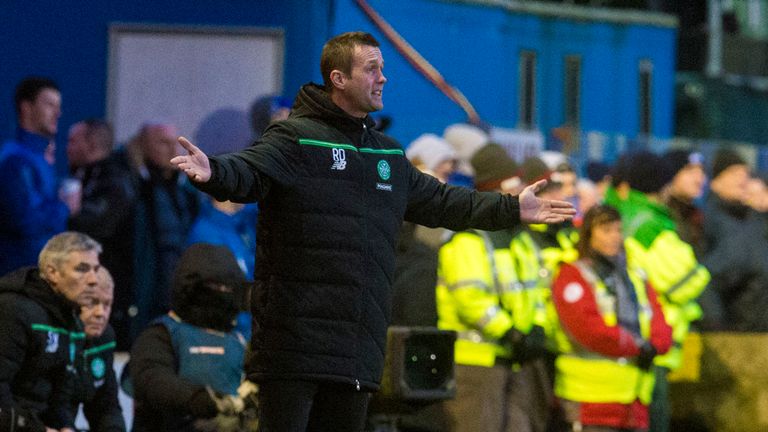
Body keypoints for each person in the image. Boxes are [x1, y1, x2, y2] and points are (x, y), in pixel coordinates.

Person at [170, 31, 575, 432]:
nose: (383, 78)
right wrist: (214, 173)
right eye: (372, 69)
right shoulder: (295, 138)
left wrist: (511, 207)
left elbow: (446, 202)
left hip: (357, 350)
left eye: (383, 68)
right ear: (338, 79)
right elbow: (248, 172)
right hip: (293, 350)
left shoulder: (387, 153)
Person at [435, 145, 553, 432]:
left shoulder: (520, 239)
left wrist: (536, 327)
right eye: (515, 184)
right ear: (496, 188)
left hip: (514, 358)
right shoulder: (467, 239)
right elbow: (470, 298)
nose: (524, 191)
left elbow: (536, 291)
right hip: (476, 363)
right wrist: (508, 332)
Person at [604, 150, 710, 432]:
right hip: (654, 338)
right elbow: (686, 280)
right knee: (653, 419)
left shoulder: (619, 214)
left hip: (630, 337)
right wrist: (701, 271)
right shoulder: (651, 225)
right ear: (662, 185)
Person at [551, 204, 672, 432]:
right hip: (589, 398)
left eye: (618, 230)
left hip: (633, 398)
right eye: (606, 230)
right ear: (588, 234)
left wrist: (656, 345)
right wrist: (638, 346)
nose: (615, 237)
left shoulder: (633, 275)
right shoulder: (573, 274)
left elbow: (658, 318)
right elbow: (587, 329)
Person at [130, 243, 254, 432]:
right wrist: (201, 400)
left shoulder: (240, 340)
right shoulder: (162, 334)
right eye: (214, 286)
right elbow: (151, 379)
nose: (221, 292)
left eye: (227, 288)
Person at [0, 231, 102, 432]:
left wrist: (65, 426)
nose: (93, 280)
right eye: (82, 269)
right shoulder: (12, 310)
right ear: (52, 272)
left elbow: (59, 399)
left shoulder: (70, 319)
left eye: (95, 269)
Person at [65, 119, 137, 349]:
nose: (67, 147)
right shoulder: (85, 176)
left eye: (73, 140)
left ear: (91, 144)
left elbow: (94, 225)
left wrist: (66, 211)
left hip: (108, 290)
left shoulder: (113, 182)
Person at [127, 122, 201, 344]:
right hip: (144, 291)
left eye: (175, 144)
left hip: (178, 290)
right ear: (143, 147)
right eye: (163, 143)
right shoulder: (133, 187)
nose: (172, 150)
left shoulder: (186, 192)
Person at [0, 77, 76, 276]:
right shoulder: (15, 160)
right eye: (49, 104)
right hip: (21, 277)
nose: (58, 113)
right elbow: (24, 220)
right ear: (26, 107)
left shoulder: (39, 158)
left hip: (38, 274)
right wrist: (65, 206)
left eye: (58, 106)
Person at [701, 148, 768, 331]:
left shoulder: (754, 220)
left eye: (745, 173)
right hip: (733, 330)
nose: (742, 179)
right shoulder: (707, 219)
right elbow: (707, 280)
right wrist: (715, 324)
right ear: (715, 181)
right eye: (734, 173)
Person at [74, 267, 125, 432]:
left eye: (107, 304)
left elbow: (105, 407)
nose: (100, 313)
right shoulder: (49, 336)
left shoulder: (104, 336)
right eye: (92, 303)